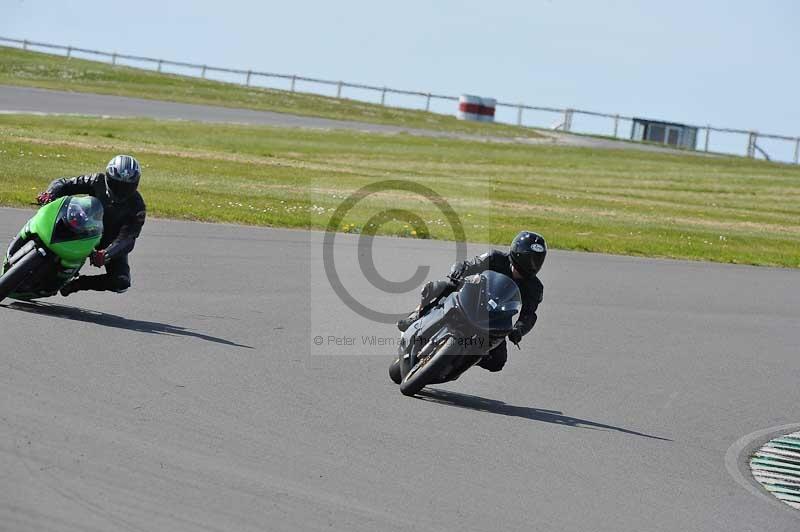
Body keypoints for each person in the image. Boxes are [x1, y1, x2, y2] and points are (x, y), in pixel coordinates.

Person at [396, 231, 546, 373]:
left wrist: (519, 329)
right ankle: (417, 314)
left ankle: (462, 359)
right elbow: (470, 264)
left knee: (498, 361)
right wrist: (460, 270)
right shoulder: (495, 258)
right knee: (444, 286)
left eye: (537, 260)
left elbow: (529, 314)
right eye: (530, 258)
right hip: (470, 298)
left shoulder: (535, 288)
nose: (533, 264)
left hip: (495, 319)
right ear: (517, 252)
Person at [35, 155, 146, 296]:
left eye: (126, 186)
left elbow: (128, 238)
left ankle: (77, 284)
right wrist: (49, 194)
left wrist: (106, 253)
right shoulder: (96, 180)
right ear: (108, 178)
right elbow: (64, 183)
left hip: (107, 243)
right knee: (50, 220)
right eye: (116, 184)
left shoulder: (137, 206)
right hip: (81, 226)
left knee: (121, 282)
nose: (121, 190)